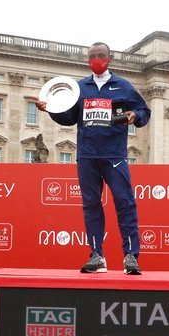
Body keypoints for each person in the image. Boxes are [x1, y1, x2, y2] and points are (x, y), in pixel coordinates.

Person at [35, 42, 151, 275]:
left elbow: (144, 112)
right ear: (87, 60)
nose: (96, 59)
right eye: (92, 56)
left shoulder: (123, 86)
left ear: (109, 58)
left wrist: (134, 115)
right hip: (87, 155)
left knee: (125, 203)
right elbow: (69, 118)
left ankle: (130, 256)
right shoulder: (79, 88)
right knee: (91, 206)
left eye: (101, 56)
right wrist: (51, 109)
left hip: (114, 155)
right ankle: (97, 255)